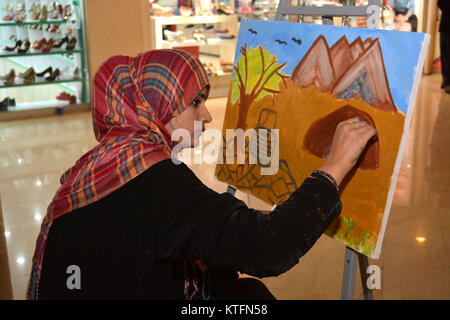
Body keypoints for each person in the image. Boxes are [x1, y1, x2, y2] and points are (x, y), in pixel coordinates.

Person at [27, 49, 377, 300]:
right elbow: (269, 246)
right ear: (156, 107)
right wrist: (332, 169)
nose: (207, 116)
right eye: (195, 102)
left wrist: (215, 226)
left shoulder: (104, 162)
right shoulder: (156, 180)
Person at [438, 0, 450, 94]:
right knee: (445, 56)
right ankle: (446, 81)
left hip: (445, 25)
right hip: (446, 26)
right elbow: (441, 3)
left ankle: (447, 81)